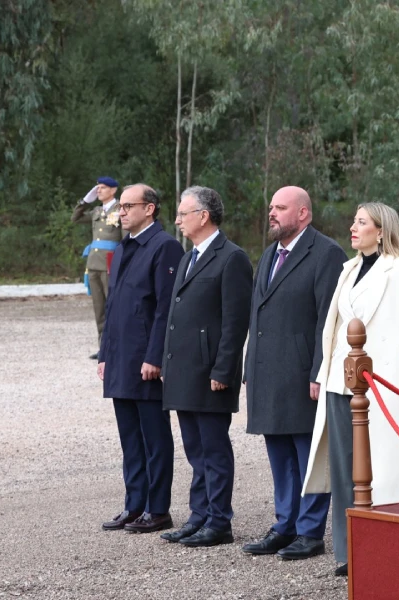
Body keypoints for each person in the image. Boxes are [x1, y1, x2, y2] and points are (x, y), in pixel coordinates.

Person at [304, 202, 399, 577]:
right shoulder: (348, 269)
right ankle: (348, 551)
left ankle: (393, 544)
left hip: (384, 385)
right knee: (345, 469)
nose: (353, 227)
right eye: (354, 221)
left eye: (361, 222)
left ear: (381, 229)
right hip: (341, 382)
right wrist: (323, 374)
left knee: (386, 469)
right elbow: (334, 326)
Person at [242, 186, 347, 561]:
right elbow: (259, 315)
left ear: (303, 213)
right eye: (271, 206)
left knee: (309, 457)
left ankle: (309, 531)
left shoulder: (326, 253)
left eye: (280, 208)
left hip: (304, 374)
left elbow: (328, 320)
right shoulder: (271, 253)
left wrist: (320, 372)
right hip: (269, 372)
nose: (272, 213)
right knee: (279, 455)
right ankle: (284, 525)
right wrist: (249, 367)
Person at [160, 186, 253, 547]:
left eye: (183, 213)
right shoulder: (188, 257)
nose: (178, 219)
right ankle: (198, 516)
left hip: (210, 373)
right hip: (184, 371)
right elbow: (175, 317)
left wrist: (223, 369)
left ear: (203, 216)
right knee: (195, 450)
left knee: (213, 450)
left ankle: (219, 521)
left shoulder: (232, 258)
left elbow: (235, 322)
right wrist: (168, 360)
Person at [97, 184, 184, 534]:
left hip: (146, 363)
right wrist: (105, 354)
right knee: (130, 439)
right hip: (121, 359)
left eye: (127, 206)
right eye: (119, 207)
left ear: (149, 209)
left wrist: (156, 357)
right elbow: (114, 306)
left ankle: (158, 508)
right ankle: (134, 505)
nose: (121, 212)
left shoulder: (165, 247)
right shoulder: (121, 250)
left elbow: (165, 308)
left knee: (154, 438)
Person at [72, 176, 123, 359]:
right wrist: (85, 201)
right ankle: (104, 347)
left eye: (102, 188)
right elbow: (75, 218)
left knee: (113, 305)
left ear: (113, 190)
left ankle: (116, 347)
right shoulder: (97, 211)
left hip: (110, 263)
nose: (98, 191)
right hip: (93, 263)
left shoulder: (121, 209)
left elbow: (125, 239)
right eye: (97, 188)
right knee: (99, 307)